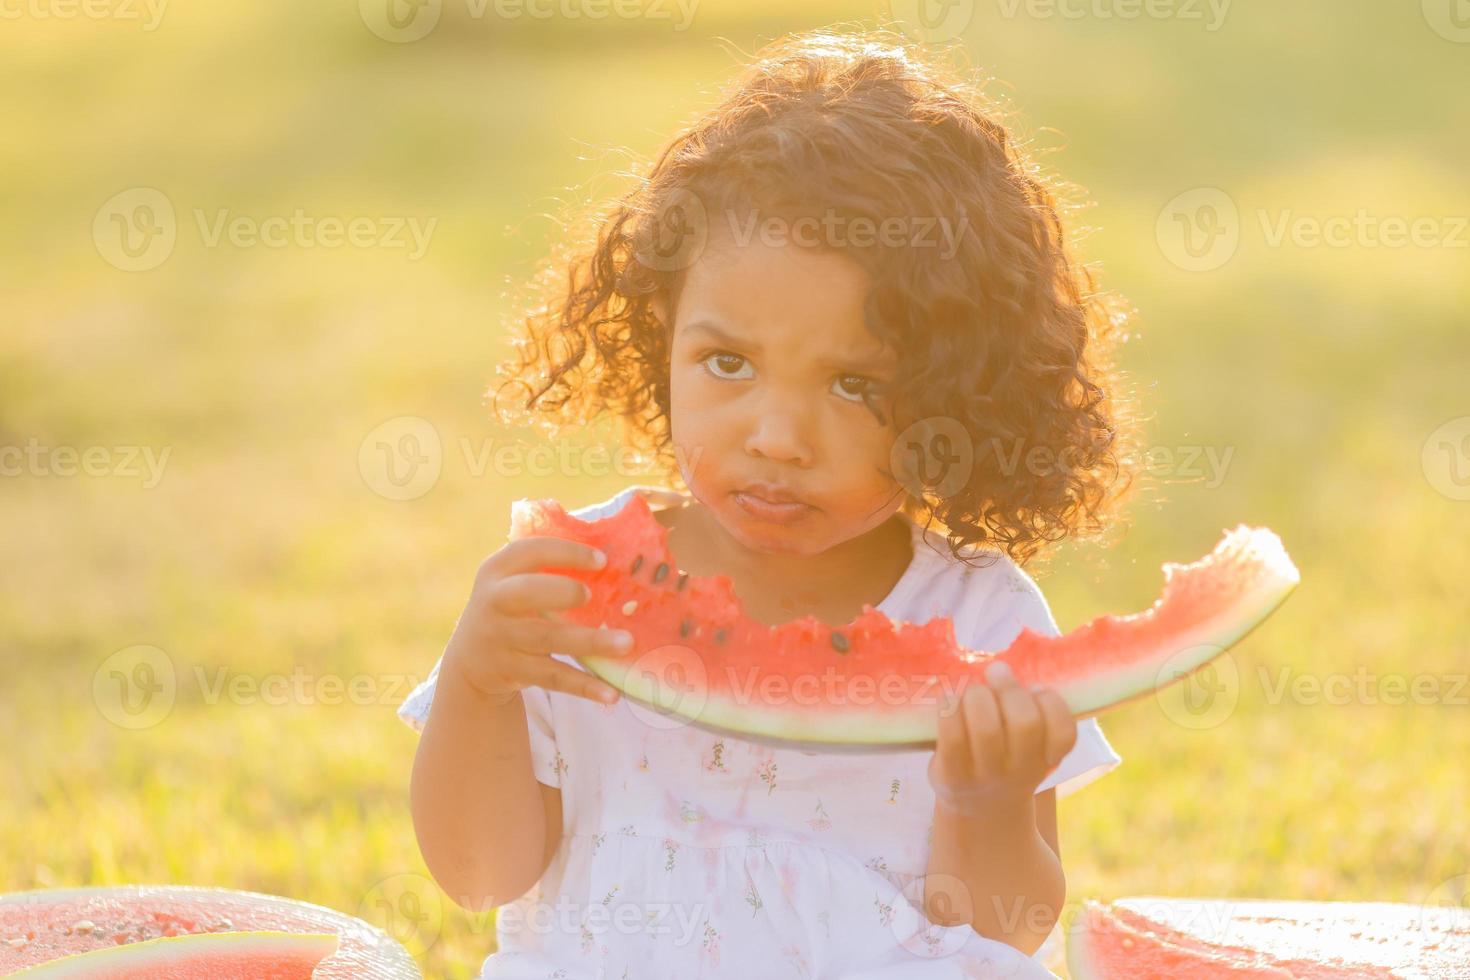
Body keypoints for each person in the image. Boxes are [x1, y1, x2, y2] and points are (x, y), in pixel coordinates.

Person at [399, 27, 1143, 979]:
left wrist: (983, 803)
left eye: (853, 386)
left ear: (957, 395)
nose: (777, 436)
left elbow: (1001, 936)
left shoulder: (981, 621)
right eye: (727, 364)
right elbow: (478, 877)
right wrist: (476, 684)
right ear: (661, 335)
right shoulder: (575, 590)